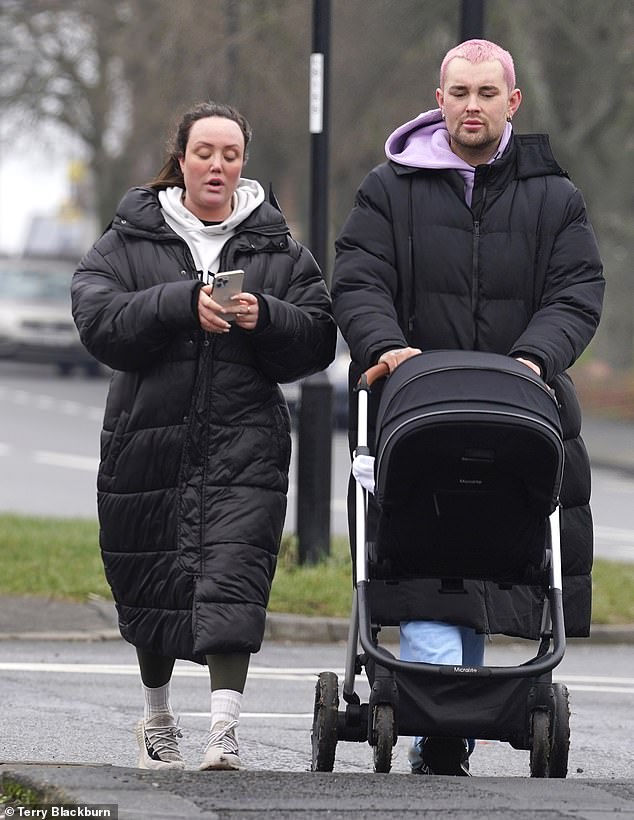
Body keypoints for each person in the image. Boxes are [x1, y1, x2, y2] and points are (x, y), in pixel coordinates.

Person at [331, 39, 604, 775]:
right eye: (460, 92)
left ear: (512, 102)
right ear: (439, 97)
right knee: (424, 552)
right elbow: (358, 279)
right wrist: (386, 346)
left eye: (487, 93)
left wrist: (535, 358)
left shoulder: (555, 196)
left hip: (523, 406)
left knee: (503, 549)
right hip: (414, 410)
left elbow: (577, 291)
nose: (472, 106)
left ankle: (456, 714)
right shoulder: (389, 190)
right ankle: (439, 720)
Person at [71, 100, 336, 771]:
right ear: (181, 160)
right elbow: (97, 318)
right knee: (150, 574)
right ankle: (158, 717)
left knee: (235, 576)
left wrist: (264, 315)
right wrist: (177, 303)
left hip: (245, 445)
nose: (217, 166)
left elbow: (318, 338)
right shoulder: (131, 238)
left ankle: (224, 732)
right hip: (147, 440)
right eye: (204, 153)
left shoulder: (277, 247)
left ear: (243, 162)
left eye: (230, 154)